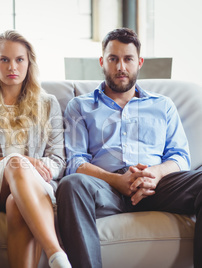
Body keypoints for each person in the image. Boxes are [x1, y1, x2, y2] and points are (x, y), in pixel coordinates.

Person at [57, 27, 202, 267]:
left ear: (139, 62)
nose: (121, 67)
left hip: (158, 186)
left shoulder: (163, 105)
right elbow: (76, 163)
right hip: (106, 188)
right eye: (113, 59)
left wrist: (155, 174)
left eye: (128, 59)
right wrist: (117, 181)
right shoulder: (80, 106)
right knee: (71, 184)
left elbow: (180, 156)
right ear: (103, 62)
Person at [0, 30, 70, 268]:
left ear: (29, 63)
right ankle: (56, 253)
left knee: (15, 203)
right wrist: (11, 162)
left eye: (20, 59)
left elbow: (58, 161)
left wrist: (22, 164)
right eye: (5, 59)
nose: (13, 66)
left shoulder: (48, 104)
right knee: (16, 162)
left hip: (35, 185)